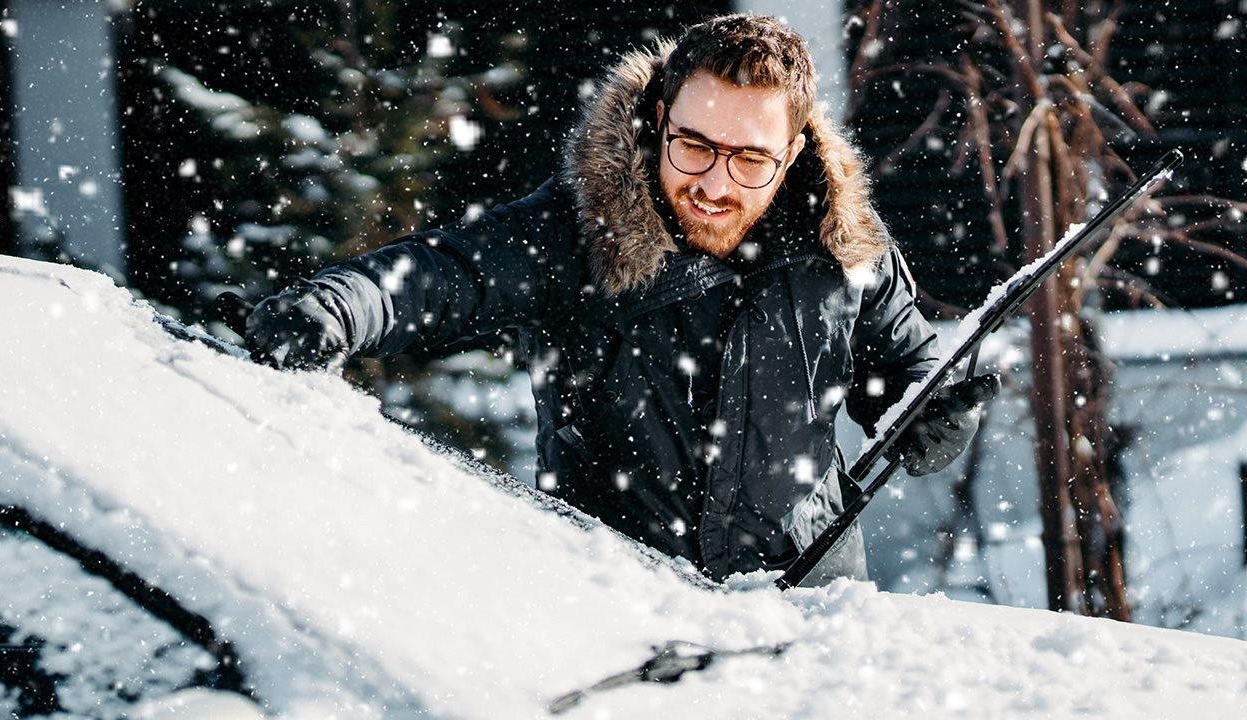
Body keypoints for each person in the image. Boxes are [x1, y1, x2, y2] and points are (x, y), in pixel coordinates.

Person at [245, 14, 998, 586]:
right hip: (618, 606)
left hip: (808, 610)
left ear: (793, 154)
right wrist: (336, 308)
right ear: (659, 121)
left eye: (750, 160)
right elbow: (444, 273)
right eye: (695, 145)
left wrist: (936, 416)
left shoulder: (846, 248)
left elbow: (911, 375)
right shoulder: (582, 229)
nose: (715, 183)